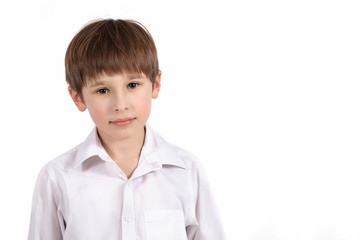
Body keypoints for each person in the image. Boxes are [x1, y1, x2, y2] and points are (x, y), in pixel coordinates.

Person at [28, 18, 225, 240]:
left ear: (156, 84)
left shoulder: (187, 172)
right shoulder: (57, 178)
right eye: (103, 90)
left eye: (132, 85)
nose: (120, 105)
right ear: (78, 98)